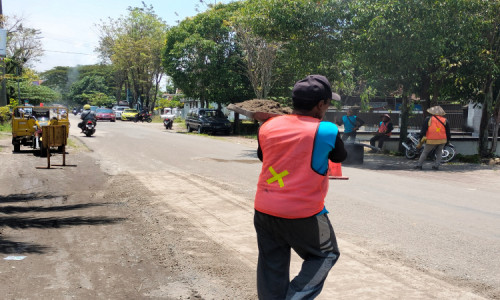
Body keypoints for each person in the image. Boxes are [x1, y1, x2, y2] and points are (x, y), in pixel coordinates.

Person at [254, 75, 347, 299]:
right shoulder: (326, 130)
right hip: (303, 212)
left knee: (271, 264)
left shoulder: (268, 126)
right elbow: (340, 155)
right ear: (320, 104)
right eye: (328, 103)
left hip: (264, 209)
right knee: (325, 255)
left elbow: (262, 156)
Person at [415, 106, 450, 170]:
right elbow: (448, 132)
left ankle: (419, 165)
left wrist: (421, 138)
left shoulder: (428, 119)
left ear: (432, 112)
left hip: (431, 139)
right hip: (442, 139)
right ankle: (436, 166)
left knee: (425, 152)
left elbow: (423, 130)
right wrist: (448, 140)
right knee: (439, 152)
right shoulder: (445, 120)